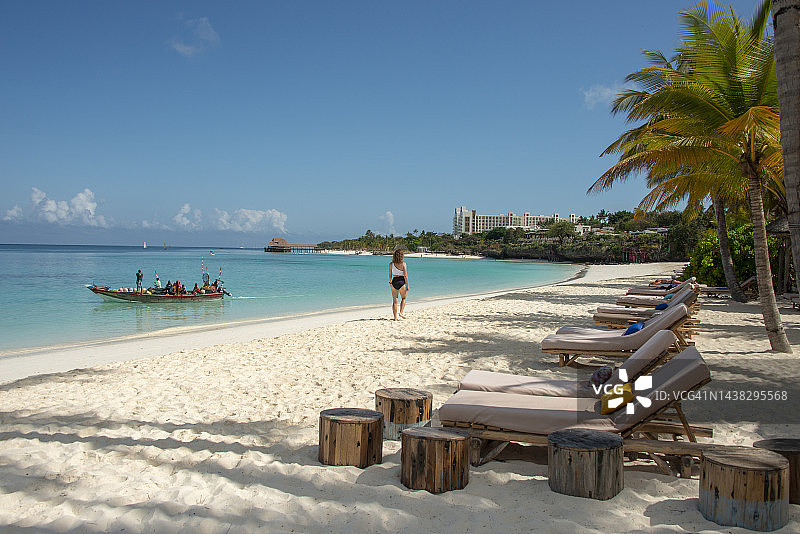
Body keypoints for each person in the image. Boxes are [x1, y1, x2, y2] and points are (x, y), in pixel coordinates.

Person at [388, 248, 410, 320]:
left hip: (394, 281)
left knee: (395, 300)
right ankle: (401, 312)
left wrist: (391, 283)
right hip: (401, 281)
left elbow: (390, 275)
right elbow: (406, 275)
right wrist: (407, 285)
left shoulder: (391, 264)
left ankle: (395, 317)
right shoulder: (403, 264)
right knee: (403, 298)